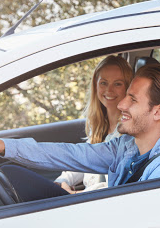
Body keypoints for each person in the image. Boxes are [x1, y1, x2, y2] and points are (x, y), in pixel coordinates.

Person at [0, 64, 160, 201]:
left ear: (158, 112)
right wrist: (1, 146)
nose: (121, 105)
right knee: (12, 174)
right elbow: (70, 154)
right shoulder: (127, 147)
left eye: (132, 99)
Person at [55, 55, 133, 194]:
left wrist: (75, 195)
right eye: (103, 83)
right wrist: (62, 182)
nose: (109, 90)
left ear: (128, 87)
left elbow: (116, 185)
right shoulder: (98, 125)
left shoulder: (129, 132)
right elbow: (84, 160)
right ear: (95, 85)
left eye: (117, 84)